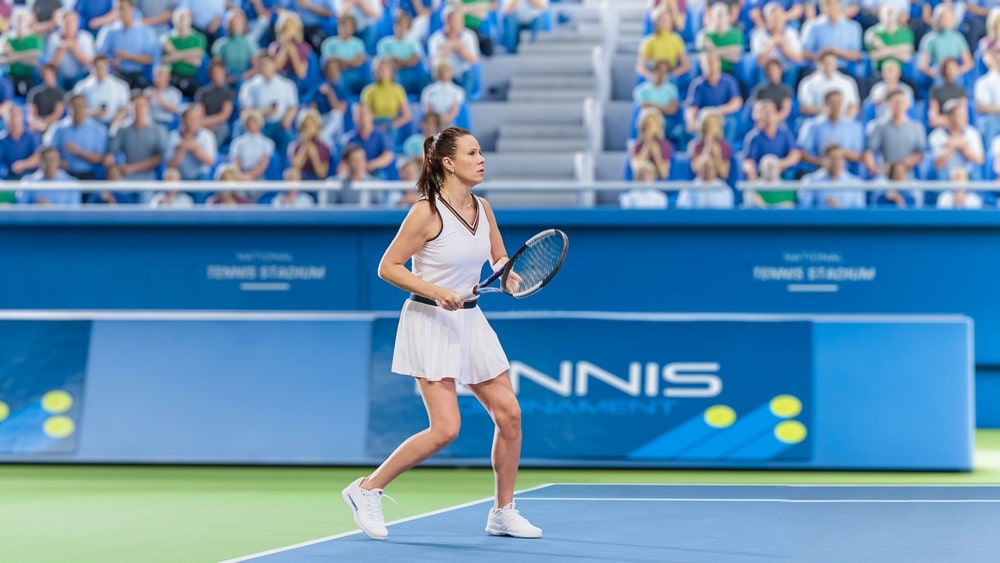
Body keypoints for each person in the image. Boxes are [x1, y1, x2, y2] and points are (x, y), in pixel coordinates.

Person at [341, 126, 542, 542]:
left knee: (510, 415)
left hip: (471, 320)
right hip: (430, 321)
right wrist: (437, 291)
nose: (481, 158)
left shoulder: (483, 208)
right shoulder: (426, 212)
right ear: (449, 163)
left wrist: (508, 274)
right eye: (472, 153)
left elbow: (499, 256)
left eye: (481, 151)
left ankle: (503, 512)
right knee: (446, 429)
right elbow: (389, 267)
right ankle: (366, 489)